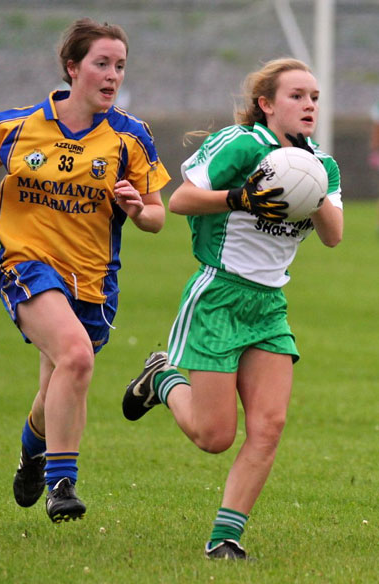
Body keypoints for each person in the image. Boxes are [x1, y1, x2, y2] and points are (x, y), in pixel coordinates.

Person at [0, 17, 170, 524]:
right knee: (76, 356)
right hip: (25, 266)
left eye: (120, 66)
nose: (112, 75)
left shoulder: (131, 137)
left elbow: (158, 217)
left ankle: (32, 452)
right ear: (72, 68)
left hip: (93, 283)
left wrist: (138, 209)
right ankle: (61, 483)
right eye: (101, 64)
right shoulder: (19, 124)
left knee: (58, 384)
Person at [122, 58, 343, 560]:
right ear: (266, 104)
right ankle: (163, 378)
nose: (309, 105)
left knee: (269, 426)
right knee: (214, 436)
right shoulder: (241, 144)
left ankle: (225, 538)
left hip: (269, 305)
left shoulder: (322, 164)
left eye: (314, 97)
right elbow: (180, 202)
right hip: (218, 294)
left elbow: (333, 237)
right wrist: (240, 197)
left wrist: (308, 181)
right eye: (296, 96)